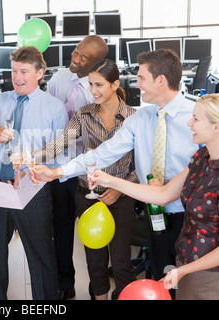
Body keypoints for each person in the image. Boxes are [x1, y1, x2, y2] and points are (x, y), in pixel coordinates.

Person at [33, 49, 201, 289]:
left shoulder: (198, 114)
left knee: (192, 283)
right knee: (163, 277)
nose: (137, 83)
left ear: (161, 80)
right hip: (154, 210)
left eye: (142, 78)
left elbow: (217, 160)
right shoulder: (140, 120)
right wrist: (57, 172)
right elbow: (101, 154)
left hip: (191, 213)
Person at [90, 93, 219, 300]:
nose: (189, 123)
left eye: (196, 119)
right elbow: (163, 195)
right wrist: (110, 180)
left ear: (217, 127)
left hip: (208, 276)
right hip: (186, 263)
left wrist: (183, 271)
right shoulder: (202, 158)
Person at [26, 59, 138, 300]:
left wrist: (119, 189)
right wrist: (30, 156)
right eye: (90, 85)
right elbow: (61, 143)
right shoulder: (83, 114)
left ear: (115, 84)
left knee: (120, 261)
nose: (93, 91)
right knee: (95, 259)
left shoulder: (133, 118)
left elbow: (142, 165)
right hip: (88, 195)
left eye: (99, 85)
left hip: (120, 197)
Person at [0, 46, 68, 300]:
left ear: (40, 73)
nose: (17, 77)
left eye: (24, 71)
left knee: (41, 256)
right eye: (14, 71)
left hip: (33, 189)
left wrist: (31, 169)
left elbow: (61, 154)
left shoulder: (55, 108)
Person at [44, 35, 108, 299]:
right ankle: (64, 282)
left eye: (84, 57)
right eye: (76, 51)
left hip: (88, 171)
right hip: (59, 166)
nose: (76, 58)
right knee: (60, 227)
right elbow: (46, 112)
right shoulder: (59, 79)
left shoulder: (97, 88)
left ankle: (98, 288)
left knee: (93, 231)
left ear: (97, 63)